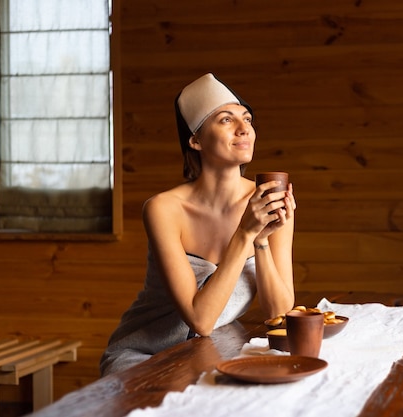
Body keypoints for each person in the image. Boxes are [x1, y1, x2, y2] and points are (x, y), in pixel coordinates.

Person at [100, 73, 296, 376]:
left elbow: (279, 314)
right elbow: (200, 320)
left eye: (247, 119)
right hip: (144, 357)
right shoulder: (164, 209)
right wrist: (244, 233)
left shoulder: (267, 203)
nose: (245, 129)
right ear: (195, 140)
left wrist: (261, 240)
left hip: (206, 353)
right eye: (226, 120)